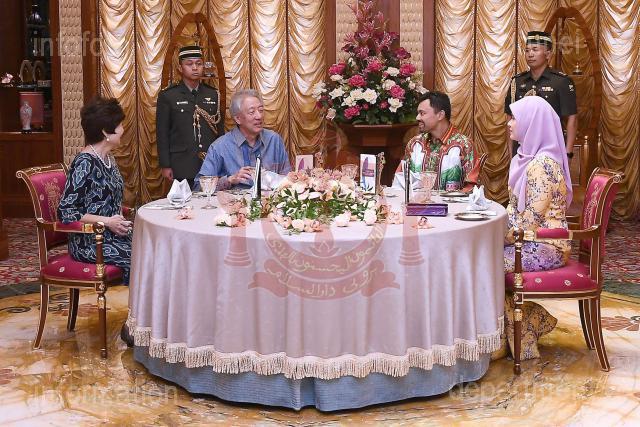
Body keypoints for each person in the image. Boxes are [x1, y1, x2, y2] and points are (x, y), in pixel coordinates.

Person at [502, 95, 573, 360]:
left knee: (483, 261)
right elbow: (514, 209)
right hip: (530, 240)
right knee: (480, 257)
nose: (509, 123)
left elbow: (530, 220)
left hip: (546, 245)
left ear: (532, 124)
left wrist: (499, 237)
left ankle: (527, 322)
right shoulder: (525, 159)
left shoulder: (541, 165)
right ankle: (513, 328)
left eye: (514, 118)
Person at [58, 97, 132, 284]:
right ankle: (141, 303)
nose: (123, 129)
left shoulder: (108, 158)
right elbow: (66, 211)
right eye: (120, 125)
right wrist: (107, 222)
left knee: (155, 251)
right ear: (106, 131)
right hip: (90, 242)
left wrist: (118, 222)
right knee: (142, 258)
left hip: (114, 236)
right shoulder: (84, 162)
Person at [156, 45, 224, 188]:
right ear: (180, 68)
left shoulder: (213, 94)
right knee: (184, 200)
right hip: (181, 163)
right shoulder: (168, 95)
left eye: (199, 64)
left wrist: (223, 161)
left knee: (210, 199)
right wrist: (165, 165)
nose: (195, 68)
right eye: (189, 64)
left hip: (209, 162)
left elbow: (220, 131)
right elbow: (162, 133)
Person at [196, 89, 291, 190]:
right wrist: (229, 180)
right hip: (234, 199)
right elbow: (199, 187)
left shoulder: (274, 140)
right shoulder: (220, 147)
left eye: (261, 110)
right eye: (252, 112)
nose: (259, 116)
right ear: (238, 118)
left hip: (269, 199)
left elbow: (287, 179)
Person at [504, 31, 577, 159]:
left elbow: (572, 118)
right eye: (527, 50)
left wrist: (568, 153)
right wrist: (511, 156)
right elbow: (509, 118)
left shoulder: (561, 82)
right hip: (522, 150)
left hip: (550, 150)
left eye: (535, 49)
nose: (530, 54)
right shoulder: (517, 81)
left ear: (548, 54)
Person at [407, 91, 478, 190]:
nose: (417, 117)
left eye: (422, 113)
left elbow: (471, 188)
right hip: (417, 200)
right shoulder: (415, 143)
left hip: (452, 201)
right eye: (418, 113)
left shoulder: (464, 145)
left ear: (440, 115)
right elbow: (401, 179)